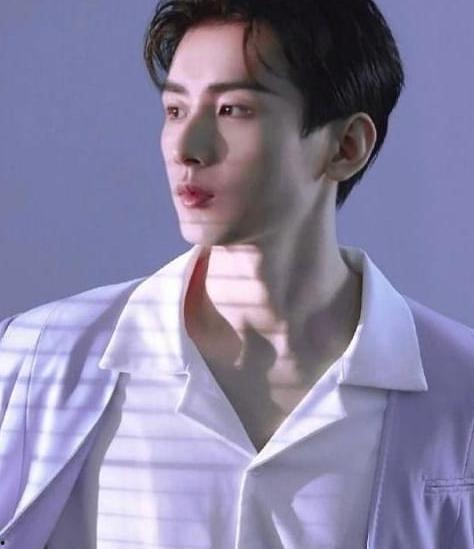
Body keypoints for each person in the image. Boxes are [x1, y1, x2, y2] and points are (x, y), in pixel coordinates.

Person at [0, 0, 473, 547]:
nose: (187, 148)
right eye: (175, 110)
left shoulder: (458, 392)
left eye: (233, 109)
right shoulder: (36, 361)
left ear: (346, 146)